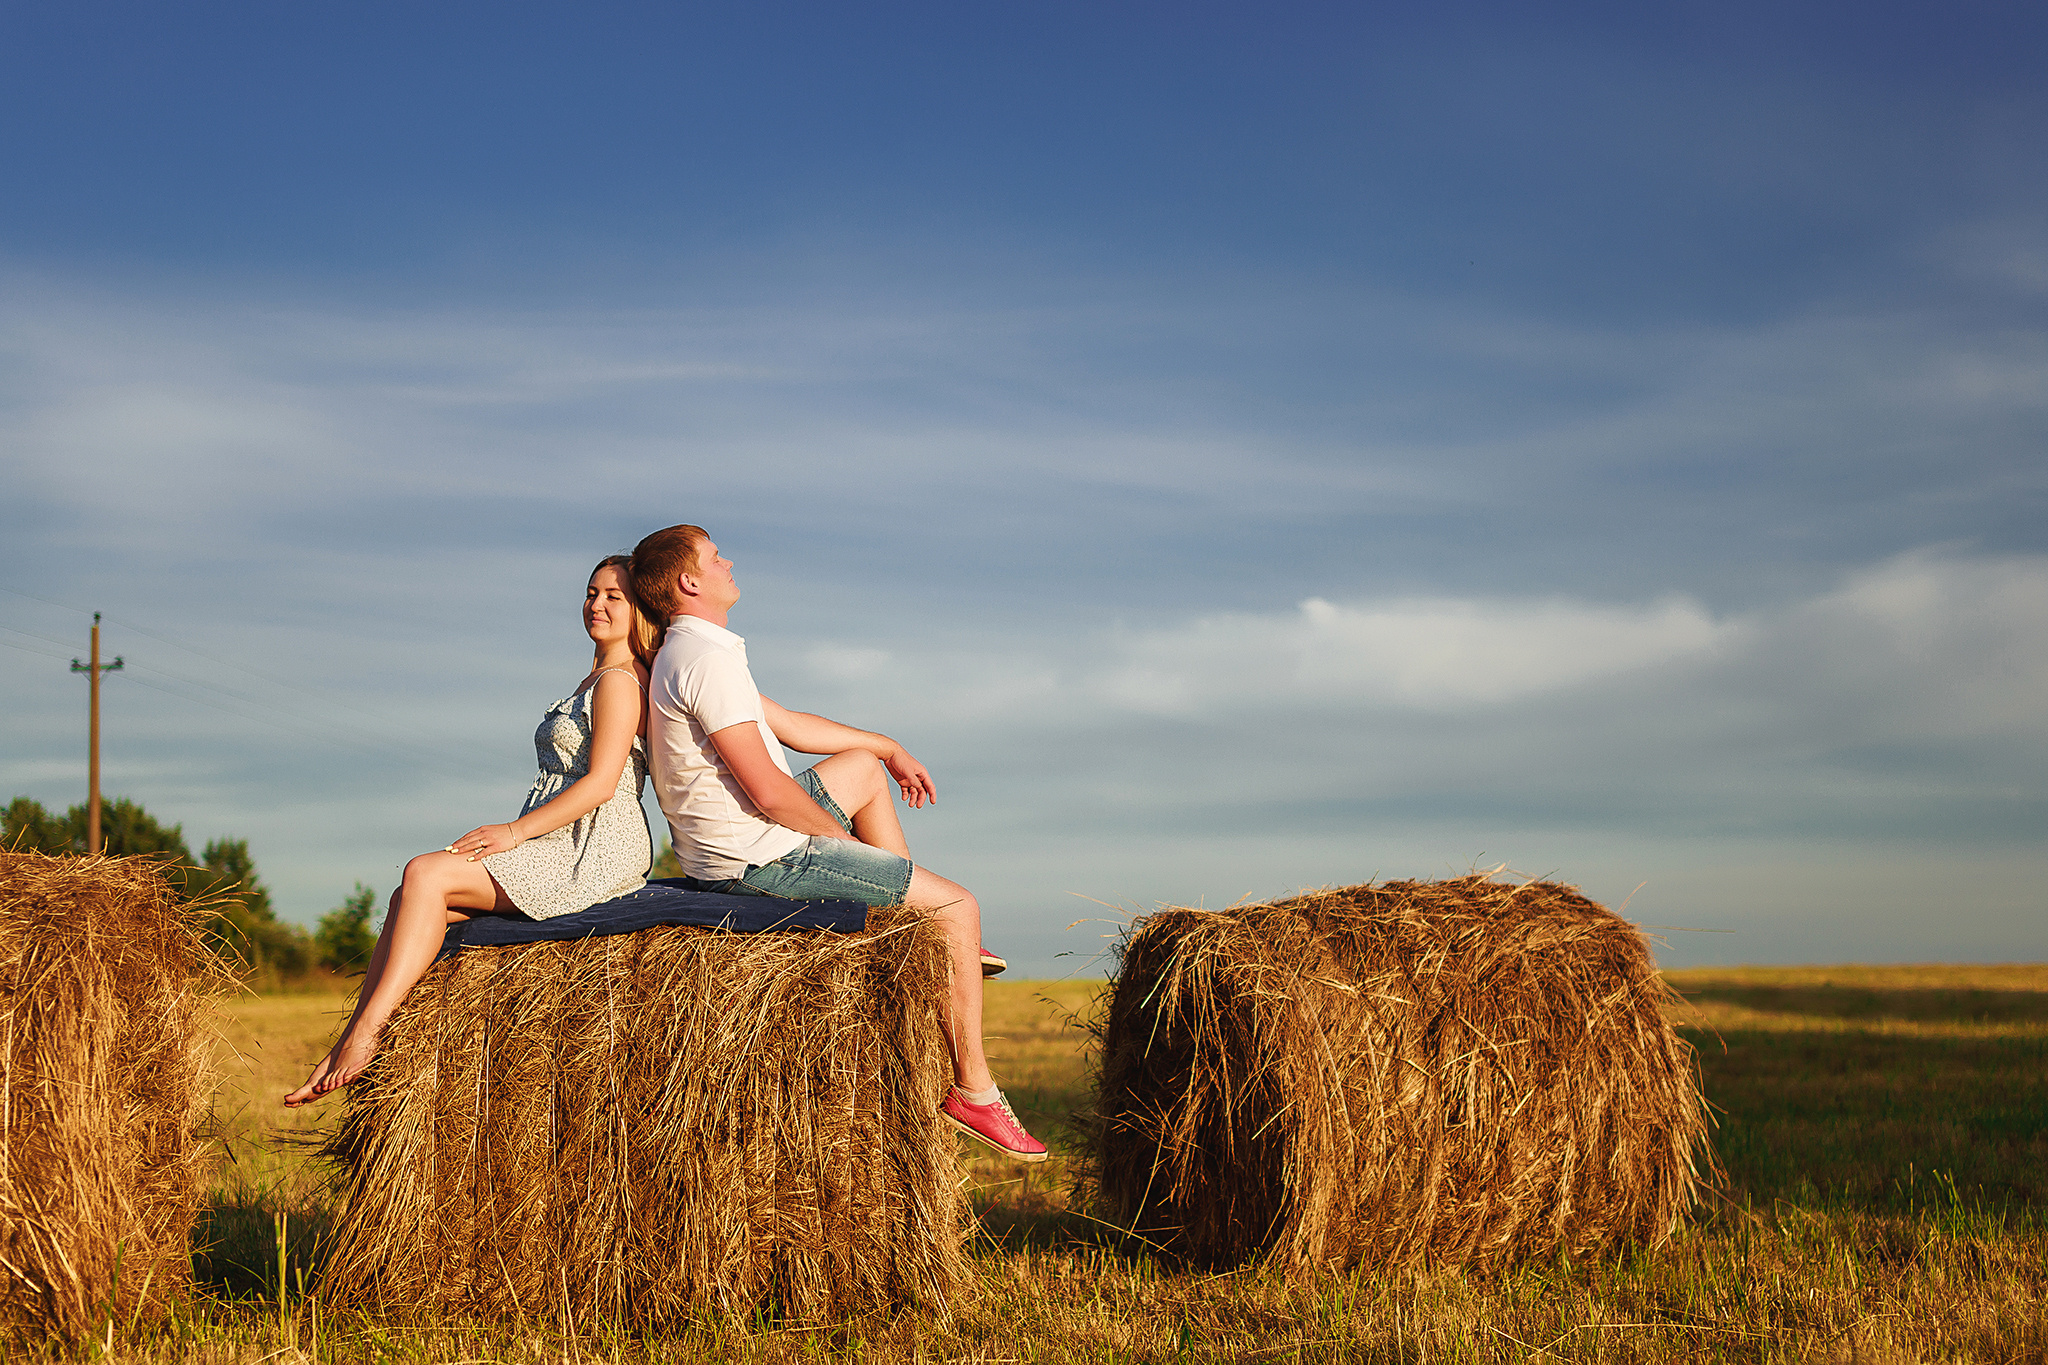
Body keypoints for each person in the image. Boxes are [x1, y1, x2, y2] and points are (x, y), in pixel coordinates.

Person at [627, 523, 1047, 1162]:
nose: (729, 562)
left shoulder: (699, 650)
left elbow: (790, 725)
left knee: (860, 769)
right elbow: (769, 792)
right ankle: (973, 1088)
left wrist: (886, 745)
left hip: (750, 837)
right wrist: (854, 851)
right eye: (716, 557)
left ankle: (909, 932)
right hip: (757, 858)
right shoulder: (702, 658)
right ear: (689, 581)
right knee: (958, 905)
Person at [283, 557, 656, 1107]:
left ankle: (366, 1037)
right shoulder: (595, 679)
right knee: (406, 895)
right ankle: (347, 1042)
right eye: (590, 592)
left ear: (640, 610)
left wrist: (514, 831)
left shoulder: (621, 683)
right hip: (558, 837)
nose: (596, 605)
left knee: (424, 873)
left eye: (613, 597)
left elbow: (602, 784)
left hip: (591, 844)